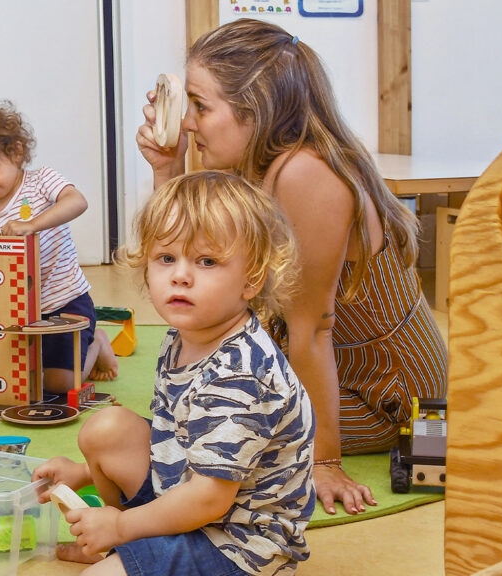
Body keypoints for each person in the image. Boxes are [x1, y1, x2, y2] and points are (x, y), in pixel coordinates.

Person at [136, 18, 447, 515]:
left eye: (200, 106)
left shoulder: (306, 173)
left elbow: (313, 328)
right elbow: (190, 256)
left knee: (209, 426)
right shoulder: (258, 163)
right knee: (193, 403)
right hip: (331, 368)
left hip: (379, 395)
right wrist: (168, 169)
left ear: (253, 109)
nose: (188, 123)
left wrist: (322, 462)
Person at [34, 171, 314, 576]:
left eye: (207, 261)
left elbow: (209, 500)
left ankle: (120, 542)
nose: (181, 275)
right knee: (106, 428)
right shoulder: (183, 336)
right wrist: (81, 473)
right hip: (190, 492)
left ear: (251, 278)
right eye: (167, 258)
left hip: (238, 541)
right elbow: (175, 438)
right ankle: (116, 544)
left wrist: (120, 525)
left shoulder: (241, 373)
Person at [0, 97, 119, 393]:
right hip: (16, 311)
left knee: (59, 385)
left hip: (65, 302)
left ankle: (97, 342)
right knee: (12, 374)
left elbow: (78, 201)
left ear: (17, 152)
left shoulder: (41, 182)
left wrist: (32, 225)